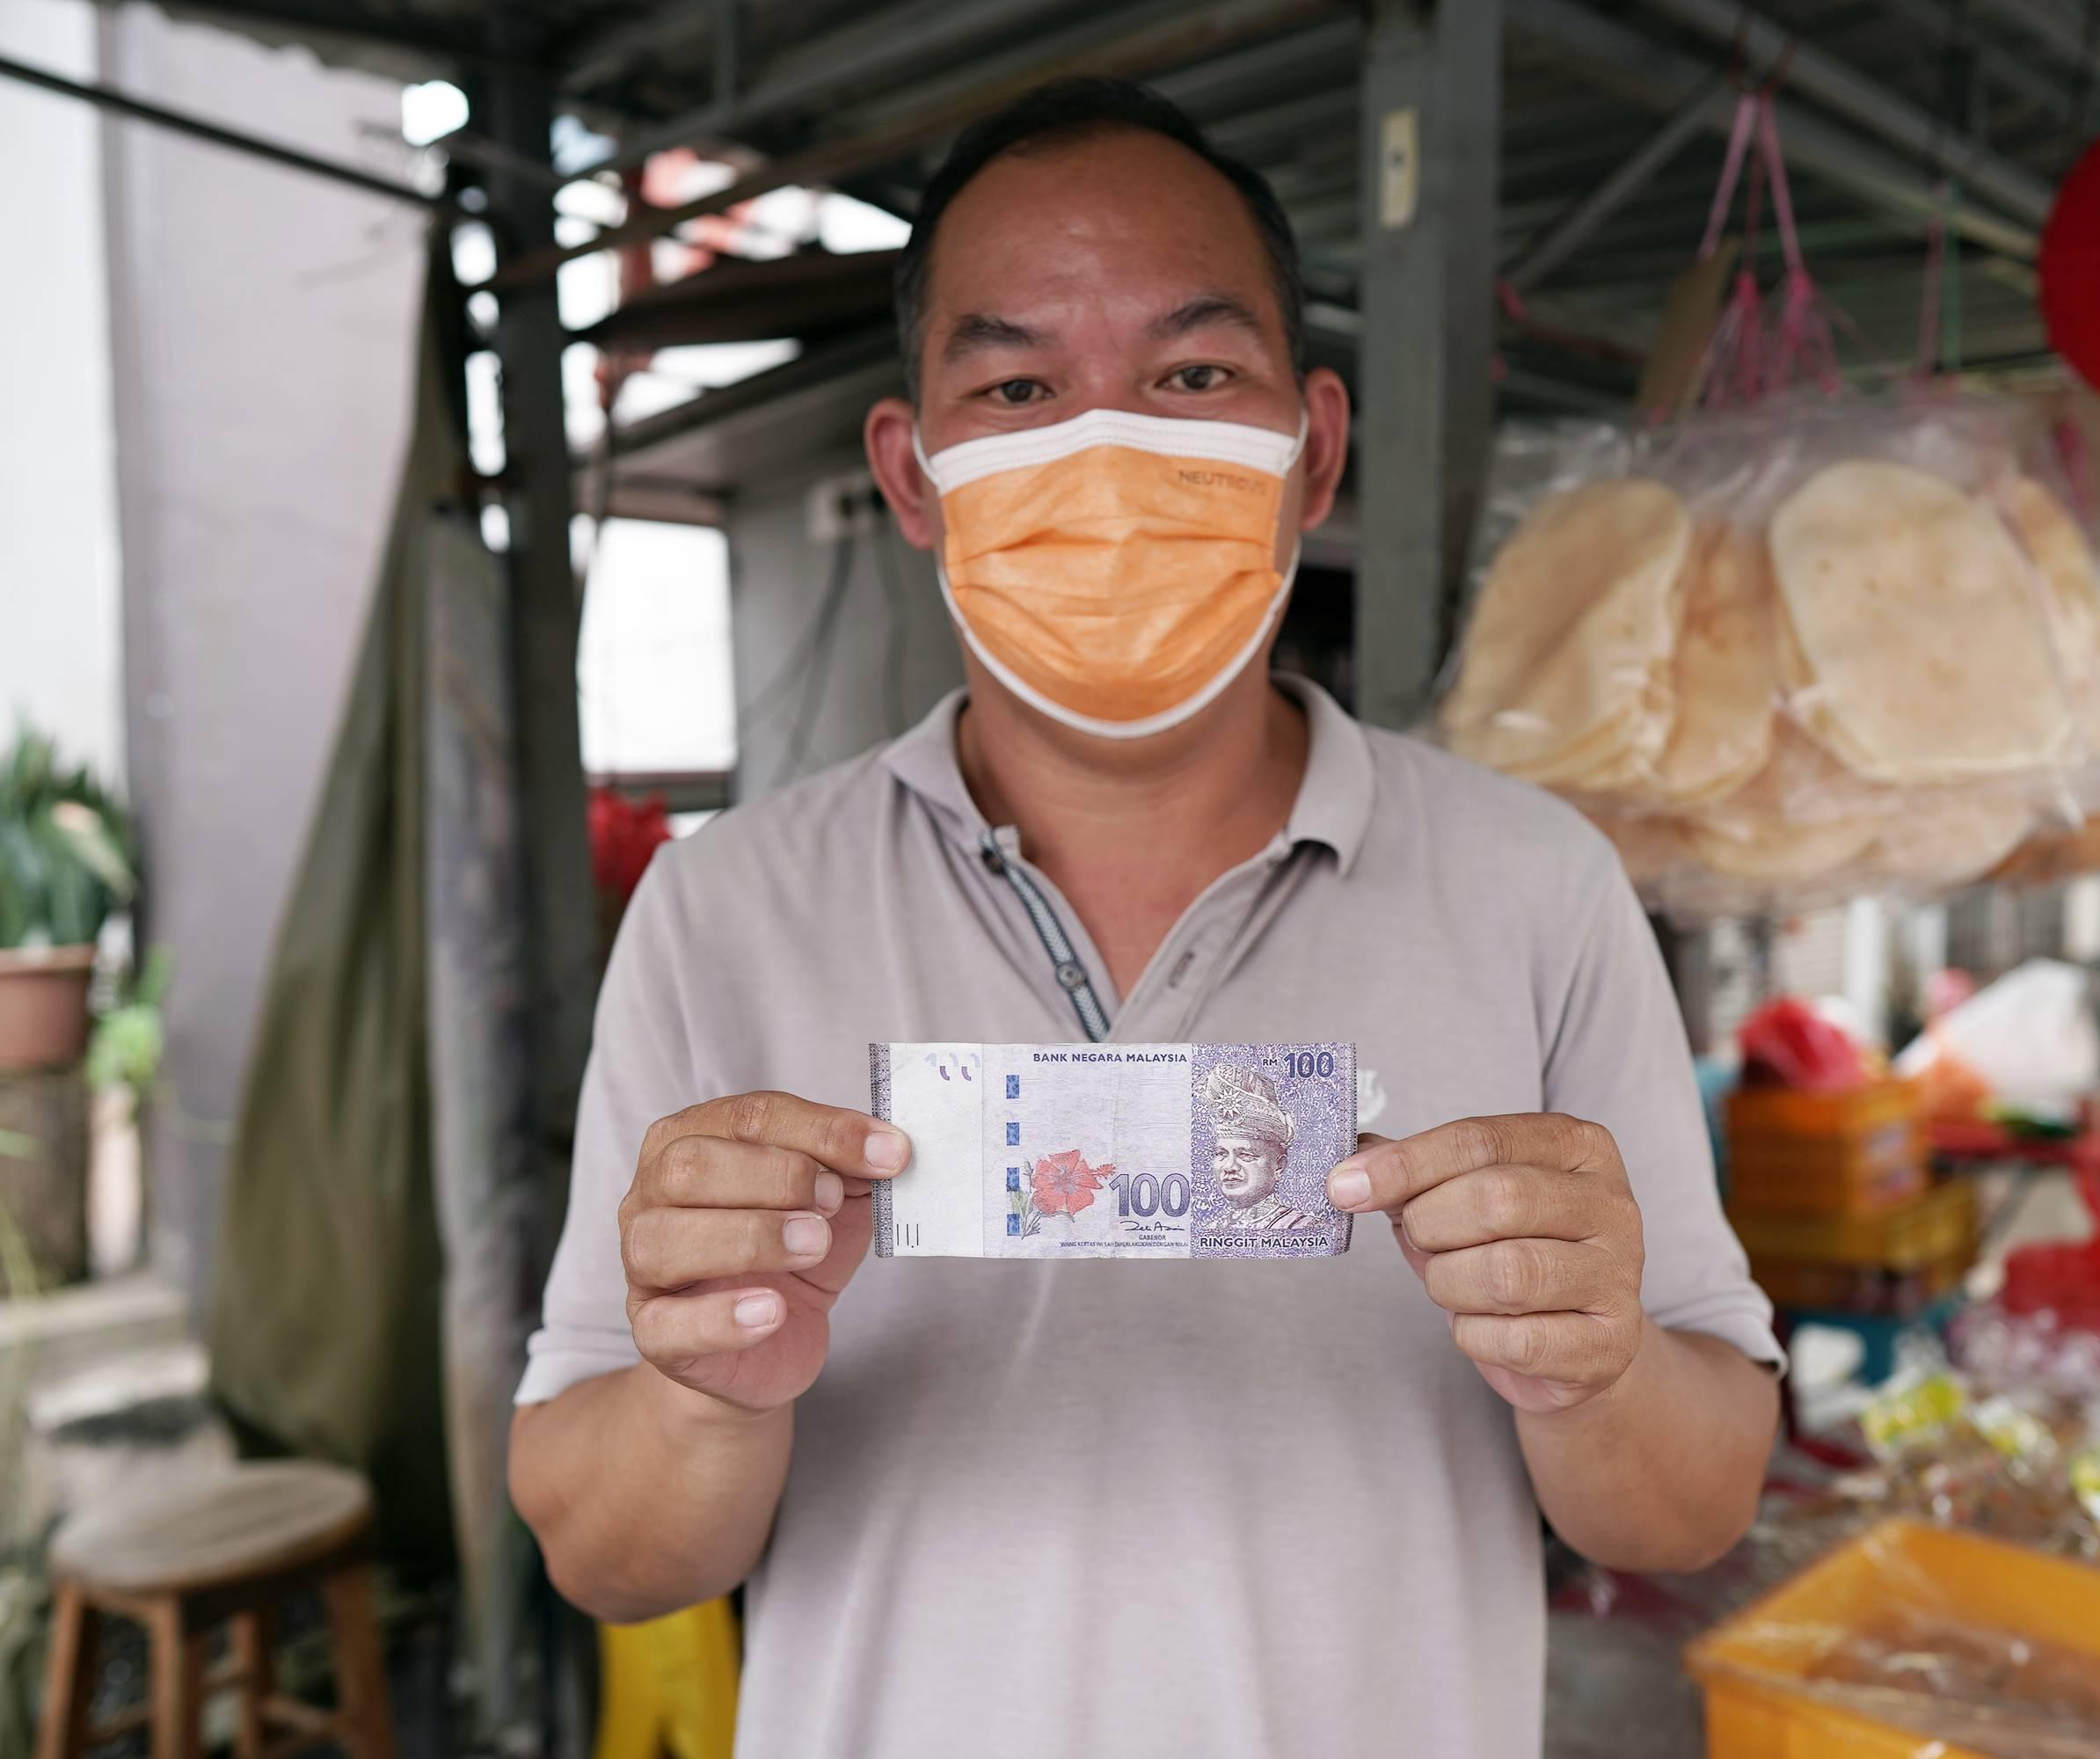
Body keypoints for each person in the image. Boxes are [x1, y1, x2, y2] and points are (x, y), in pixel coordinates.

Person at [509, 77, 1780, 1759]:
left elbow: (1687, 1517)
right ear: (912, 473)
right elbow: (605, 1557)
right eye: (1018, 384)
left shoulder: (1537, 883)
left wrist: (1596, 1364)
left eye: (1191, 376)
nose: (1105, 453)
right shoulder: (723, 906)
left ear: (1311, 448)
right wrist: (704, 1386)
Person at [1202, 1061, 1317, 1230]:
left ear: (1279, 1165)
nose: (1229, 1167)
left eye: (1245, 1155)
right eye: (1221, 1154)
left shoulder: (1304, 1227)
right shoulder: (1213, 1229)